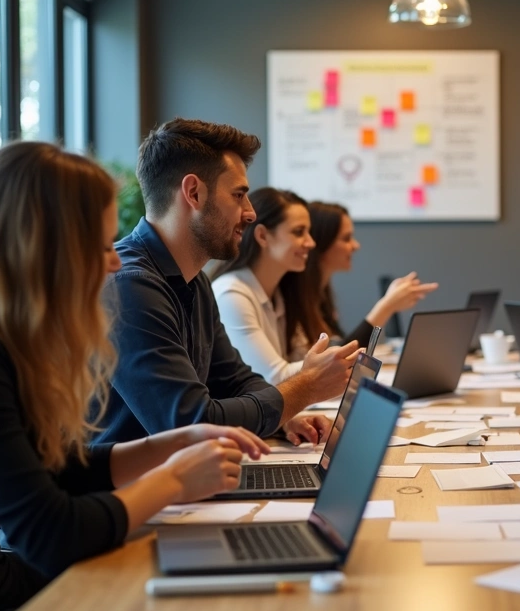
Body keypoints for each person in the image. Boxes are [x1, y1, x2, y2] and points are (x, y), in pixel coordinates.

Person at [0, 142, 270, 611]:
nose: (114, 261)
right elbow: (52, 533)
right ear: (40, 248)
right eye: (98, 245)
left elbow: (52, 468)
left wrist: (166, 447)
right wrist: (173, 480)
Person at [94, 119, 356, 447]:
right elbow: (188, 424)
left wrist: (285, 418)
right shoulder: (129, 287)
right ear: (193, 193)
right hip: (129, 492)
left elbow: (234, 380)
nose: (249, 213)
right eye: (238, 195)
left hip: (180, 481)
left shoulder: (194, 282)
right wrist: (303, 388)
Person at [290, 201, 437, 353]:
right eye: (346, 239)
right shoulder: (297, 301)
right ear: (322, 242)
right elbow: (339, 358)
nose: (356, 245)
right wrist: (387, 306)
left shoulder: (322, 295)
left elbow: (338, 350)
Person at [211, 188, 316, 384]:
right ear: (262, 236)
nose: (311, 243)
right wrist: (332, 363)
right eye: (299, 232)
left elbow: (301, 357)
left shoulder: (278, 292)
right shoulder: (231, 294)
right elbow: (272, 378)